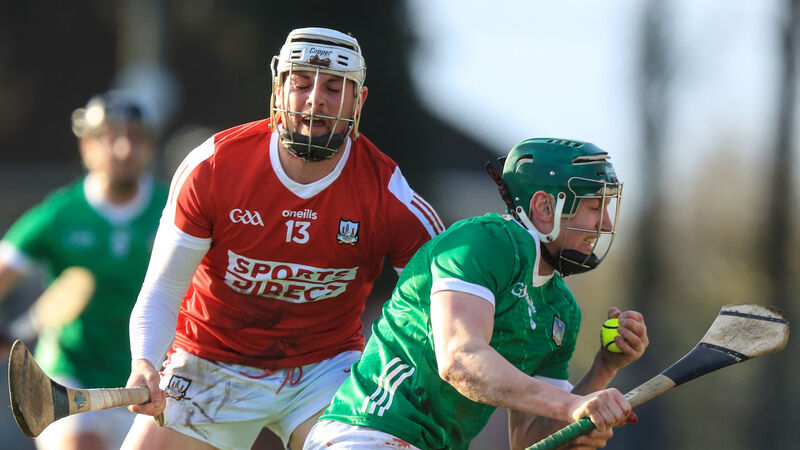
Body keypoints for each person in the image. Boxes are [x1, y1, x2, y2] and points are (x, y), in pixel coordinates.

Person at [121, 27, 444, 450]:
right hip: (210, 362)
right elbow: (163, 287)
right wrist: (144, 361)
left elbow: (440, 311)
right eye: (301, 82)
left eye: (334, 87)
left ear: (358, 101)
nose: (316, 99)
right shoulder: (213, 167)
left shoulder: (390, 195)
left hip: (325, 372)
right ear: (278, 90)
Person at [304, 138, 650, 450]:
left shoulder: (561, 309)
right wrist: (571, 405)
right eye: (593, 206)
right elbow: (460, 360)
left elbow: (528, 437)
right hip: (368, 433)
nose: (605, 223)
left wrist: (601, 372)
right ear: (545, 208)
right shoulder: (483, 243)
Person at [0, 91, 167, 450]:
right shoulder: (61, 213)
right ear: (87, 146)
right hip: (71, 377)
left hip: (149, 382)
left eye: (135, 137)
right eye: (111, 137)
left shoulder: (174, 211)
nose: (124, 149)